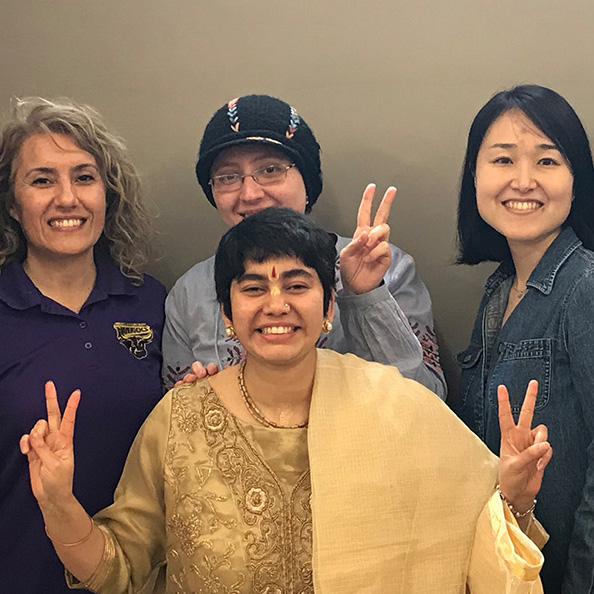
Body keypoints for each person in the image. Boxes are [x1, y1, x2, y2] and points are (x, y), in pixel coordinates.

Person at [22, 207, 552, 594]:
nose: (276, 305)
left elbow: (477, 537)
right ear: (227, 315)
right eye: (253, 288)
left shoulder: (396, 408)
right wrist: (59, 505)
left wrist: (514, 497)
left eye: (297, 285)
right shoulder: (178, 421)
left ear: (328, 308)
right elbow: (121, 569)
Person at [162, 94, 446, 398]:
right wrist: (192, 398)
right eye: (228, 177)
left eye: (270, 170)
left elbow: (427, 402)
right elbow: (175, 414)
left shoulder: (385, 269)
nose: (250, 193)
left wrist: (366, 296)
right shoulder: (190, 293)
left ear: (307, 182)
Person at [0, 97, 166, 593]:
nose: (67, 198)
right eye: (42, 179)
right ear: (13, 204)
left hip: (144, 579)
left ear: (108, 194)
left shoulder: (152, 301)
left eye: (84, 177)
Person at [454, 84, 594, 593]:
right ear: (475, 176)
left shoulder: (585, 287)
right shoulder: (499, 289)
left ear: (577, 180)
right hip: (510, 571)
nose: (524, 180)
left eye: (548, 161)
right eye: (503, 159)